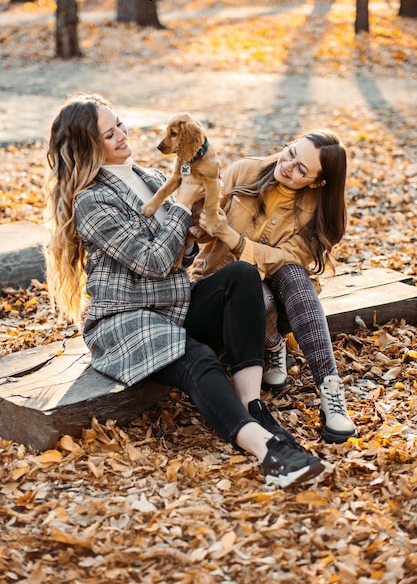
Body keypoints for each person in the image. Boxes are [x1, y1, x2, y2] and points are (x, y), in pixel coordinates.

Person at [44, 93, 325, 488]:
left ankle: (252, 406)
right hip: (126, 321)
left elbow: (181, 254)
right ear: (88, 147)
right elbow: (153, 262)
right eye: (110, 134)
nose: (123, 135)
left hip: (172, 305)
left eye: (120, 124)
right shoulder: (91, 201)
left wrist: (199, 221)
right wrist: (181, 204)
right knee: (198, 358)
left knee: (243, 275)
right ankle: (268, 451)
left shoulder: (151, 178)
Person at [190, 130, 358, 444]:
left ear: (317, 183)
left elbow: (282, 260)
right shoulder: (244, 171)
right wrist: (206, 216)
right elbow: (197, 230)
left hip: (285, 302)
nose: (288, 166)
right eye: (291, 153)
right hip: (222, 293)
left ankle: (331, 392)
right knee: (255, 288)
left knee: (291, 272)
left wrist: (232, 237)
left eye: (301, 170)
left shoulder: (318, 214)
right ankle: (273, 345)